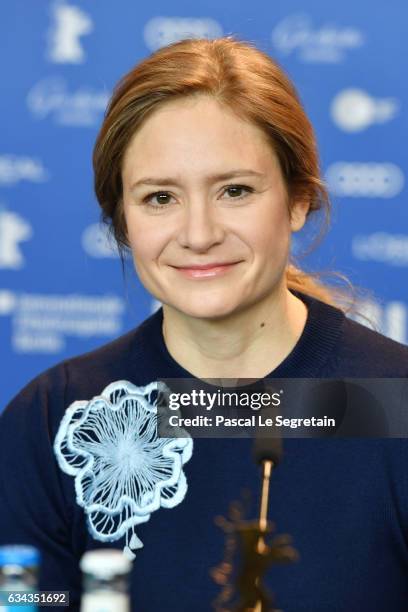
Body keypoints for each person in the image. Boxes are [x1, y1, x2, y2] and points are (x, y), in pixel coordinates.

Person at [1, 37, 408, 612]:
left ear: (296, 200)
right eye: (160, 197)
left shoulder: (394, 403)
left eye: (234, 190)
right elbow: (31, 601)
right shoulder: (52, 419)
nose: (198, 233)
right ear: (123, 220)